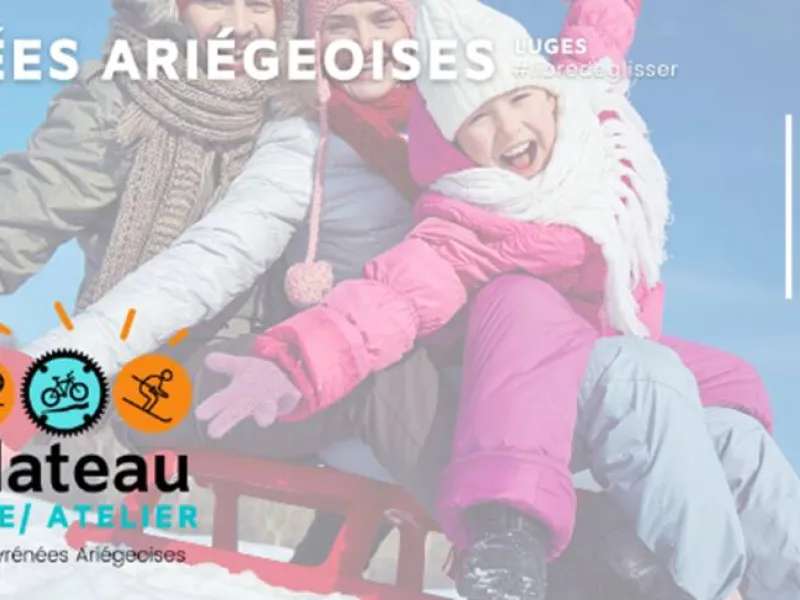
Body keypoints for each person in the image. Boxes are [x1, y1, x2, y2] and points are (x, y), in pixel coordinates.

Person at [181, 1, 799, 599]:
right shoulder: (468, 220)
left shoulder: (595, 123)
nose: (509, 128)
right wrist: (294, 364)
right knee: (626, 361)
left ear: (552, 95)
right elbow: (389, 298)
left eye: (520, 98)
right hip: (522, 395)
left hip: (600, 365)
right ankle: (702, 589)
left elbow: (599, 27)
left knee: (733, 430)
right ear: (455, 142)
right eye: (477, 118)